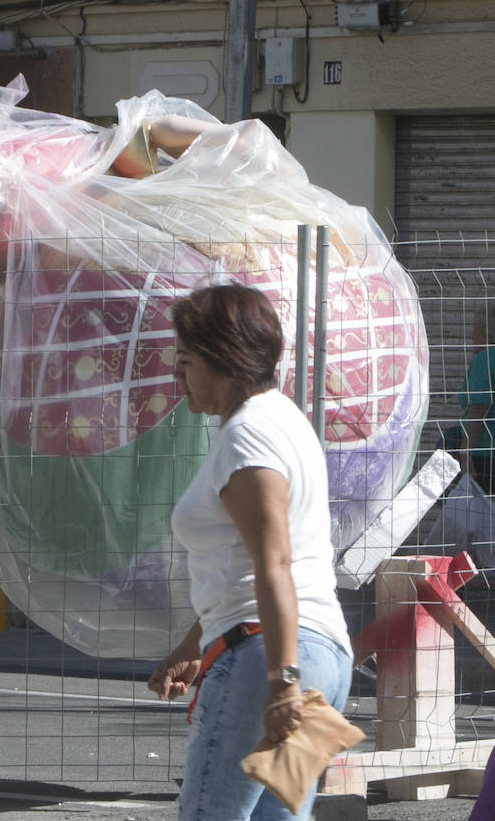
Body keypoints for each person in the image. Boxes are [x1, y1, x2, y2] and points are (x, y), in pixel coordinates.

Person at [148, 284, 353, 820]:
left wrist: (281, 680)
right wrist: (196, 642)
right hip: (313, 653)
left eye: (185, 361)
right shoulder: (281, 419)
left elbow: (273, 562)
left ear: (227, 362)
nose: (177, 375)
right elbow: (246, 563)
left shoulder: (248, 437)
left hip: (269, 657)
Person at [459, 302, 495, 495]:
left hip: (486, 454)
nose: (472, 337)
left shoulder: (486, 359)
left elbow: (479, 410)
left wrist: (465, 454)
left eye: (475, 329)